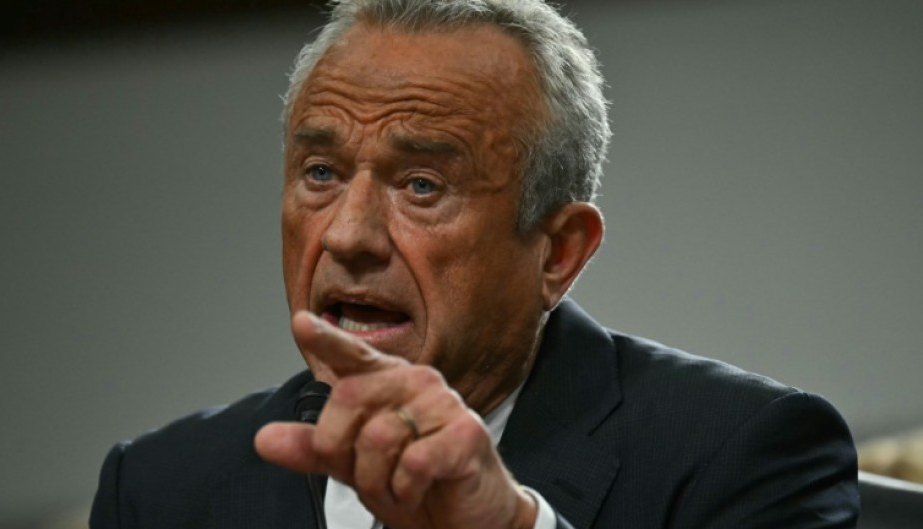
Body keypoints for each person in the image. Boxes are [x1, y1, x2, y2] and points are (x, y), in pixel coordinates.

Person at [89, 1, 860, 528]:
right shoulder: (160, 491)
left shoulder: (745, 456)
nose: (349, 234)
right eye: (320, 173)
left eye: (422, 184)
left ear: (558, 251)